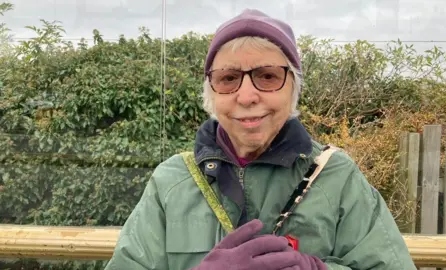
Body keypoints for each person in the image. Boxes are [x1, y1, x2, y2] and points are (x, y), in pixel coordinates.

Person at [104, 8, 417, 270]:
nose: (247, 96)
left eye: (267, 76)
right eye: (227, 79)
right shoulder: (171, 182)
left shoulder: (338, 177)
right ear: (210, 93)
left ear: (293, 87)